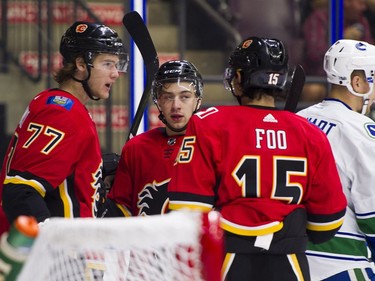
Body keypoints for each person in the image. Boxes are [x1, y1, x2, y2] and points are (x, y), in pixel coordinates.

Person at [167, 36, 347, 281]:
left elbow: (186, 208)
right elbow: (327, 223)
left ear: (238, 78)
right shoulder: (310, 133)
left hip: (228, 261)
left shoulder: (208, 122)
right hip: (290, 263)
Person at [0, 21, 128, 224]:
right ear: (80, 64)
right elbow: (21, 190)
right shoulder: (62, 113)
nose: (115, 73)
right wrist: (49, 245)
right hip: (54, 252)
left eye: (117, 64)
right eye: (107, 64)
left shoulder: (59, 104)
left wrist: (92, 170)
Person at [297, 39, 375, 280]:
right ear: (357, 82)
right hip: (342, 264)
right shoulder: (361, 130)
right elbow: (371, 215)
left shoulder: (298, 119)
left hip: (294, 259)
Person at [103, 60, 203, 217]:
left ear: (198, 101)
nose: (176, 105)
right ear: (158, 102)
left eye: (184, 97)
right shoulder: (136, 147)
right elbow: (120, 209)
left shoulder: (213, 147)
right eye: (168, 97)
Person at [302, 0, 373, 103]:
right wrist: (342, 41)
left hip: (354, 75)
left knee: (368, 85)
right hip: (321, 76)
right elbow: (314, 53)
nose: (364, 8)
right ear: (347, 2)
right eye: (360, 3)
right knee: (313, 90)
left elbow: (371, 52)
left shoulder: (361, 21)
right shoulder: (320, 18)